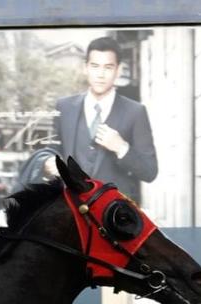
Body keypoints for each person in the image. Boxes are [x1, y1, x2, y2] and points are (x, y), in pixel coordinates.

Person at [46, 36, 157, 200]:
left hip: (115, 214)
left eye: (108, 67)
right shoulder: (64, 107)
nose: (100, 74)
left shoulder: (136, 112)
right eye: (95, 66)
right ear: (85, 68)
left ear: (118, 71)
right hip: (72, 211)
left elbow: (150, 171)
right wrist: (48, 162)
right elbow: (52, 151)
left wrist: (122, 148)